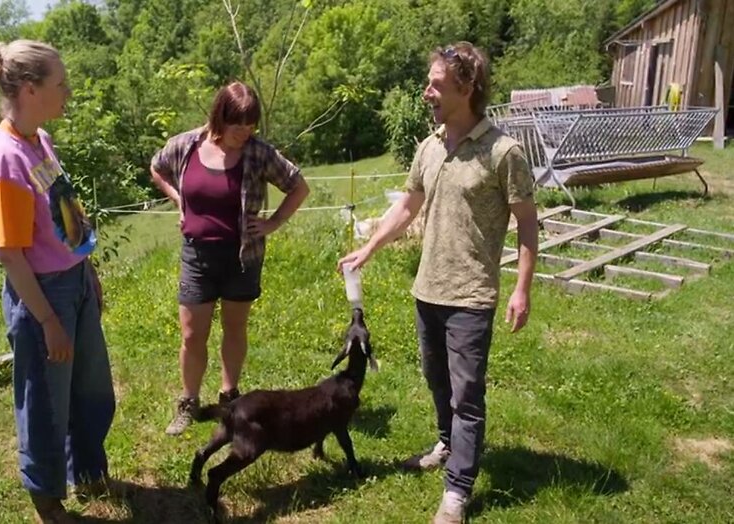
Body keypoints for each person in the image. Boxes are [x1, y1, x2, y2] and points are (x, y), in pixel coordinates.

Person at [338, 42, 538, 524]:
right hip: (427, 290)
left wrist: (522, 287)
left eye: (435, 84)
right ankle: (447, 444)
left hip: (471, 295)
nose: (426, 92)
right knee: (436, 380)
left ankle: (457, 491)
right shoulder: (429, 146)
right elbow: (408, 205)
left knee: (466, 395)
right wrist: (370, 246)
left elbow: (528, 223)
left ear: (466, 88)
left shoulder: (502, 152)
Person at [0, 40, 115, 524]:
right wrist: (48, 321)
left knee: (91, 387)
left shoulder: (40, 140)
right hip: (42, 295)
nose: (68, 92)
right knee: (45, 403)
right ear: (30, 89)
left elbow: (64, 214)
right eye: (61, 84)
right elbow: (11, 255)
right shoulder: (5, 159)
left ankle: (88, 471)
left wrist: (87, 269)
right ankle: (47, 501)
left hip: (74, 281)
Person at [150, 81, 310, 436]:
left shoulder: (258, 153)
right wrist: (179, 200)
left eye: (251, 125)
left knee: (234, 328)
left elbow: (299, 186)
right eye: (238, 125)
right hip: (197, 256)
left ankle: (229, 396)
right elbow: (157, 167)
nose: (245, 132)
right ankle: (189, 402)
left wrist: (273, 223)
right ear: (220, 116)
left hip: (242, 257)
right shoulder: (187, 145)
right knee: (192, 334)